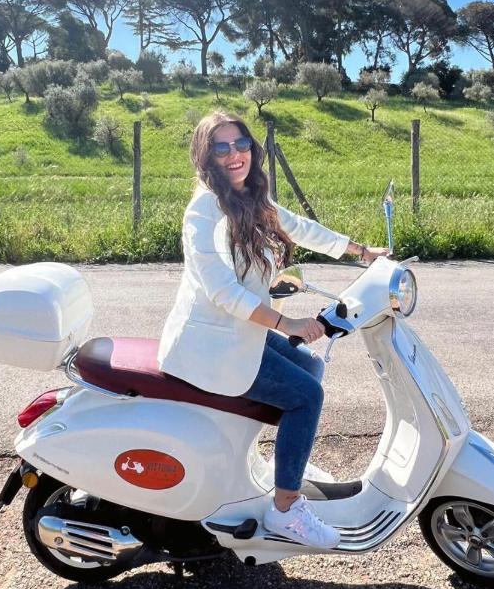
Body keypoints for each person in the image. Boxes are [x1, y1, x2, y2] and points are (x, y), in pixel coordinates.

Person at [158, 111, 389, 549]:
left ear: (252, 148)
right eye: (220, 147)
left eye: (240, 144)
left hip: (238, 334)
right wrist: (288, 322)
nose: (234, 154)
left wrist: (362, 252)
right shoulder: (205, 209)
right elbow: (223, 292)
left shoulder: (249, 197)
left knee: (309, 367)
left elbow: (298, 228)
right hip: (210, 345)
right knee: (307, 396)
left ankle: (279, 467)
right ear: (205, 156)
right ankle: (286, 512)